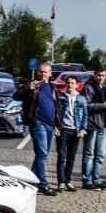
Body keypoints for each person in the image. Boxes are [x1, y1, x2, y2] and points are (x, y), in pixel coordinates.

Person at [19, 60, 59, 196]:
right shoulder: (32, 85)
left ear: (50, 74)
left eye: (45, 72)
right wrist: (27, 88)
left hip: (51, 126)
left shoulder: (53, 88)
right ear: (37, 73)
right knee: (41, 155)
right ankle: (43, 184)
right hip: (38, 124)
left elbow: (57, 107)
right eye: (41, 72)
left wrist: (57, 125)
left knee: (43, 156)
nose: (43, 74)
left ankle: (30, 181)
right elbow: (16, 95)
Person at [80, 67, 106, 190]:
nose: (100, 78)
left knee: (100, 154)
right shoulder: (88, 87)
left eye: (103, 75)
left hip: (102, 124)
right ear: (94, 75)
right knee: (89, 154)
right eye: (98, 75)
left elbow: (104, 109)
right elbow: (85, 105)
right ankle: (87, 180)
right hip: (91, 124)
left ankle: (97, 179)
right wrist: (103, 105)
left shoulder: (105, 88)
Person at [53, 77, 87, 192]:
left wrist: (82, 130)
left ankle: (68, 180)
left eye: (72, 83)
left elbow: (85, 116)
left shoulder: (81, 99)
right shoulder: (61, 97)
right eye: (68, 83)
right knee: (61, 157)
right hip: (63, 130)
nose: (70, 85)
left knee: (71, 158)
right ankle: (61, 182)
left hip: (75, 132)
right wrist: (55, 127)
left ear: (77, 85)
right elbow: (55, 113)